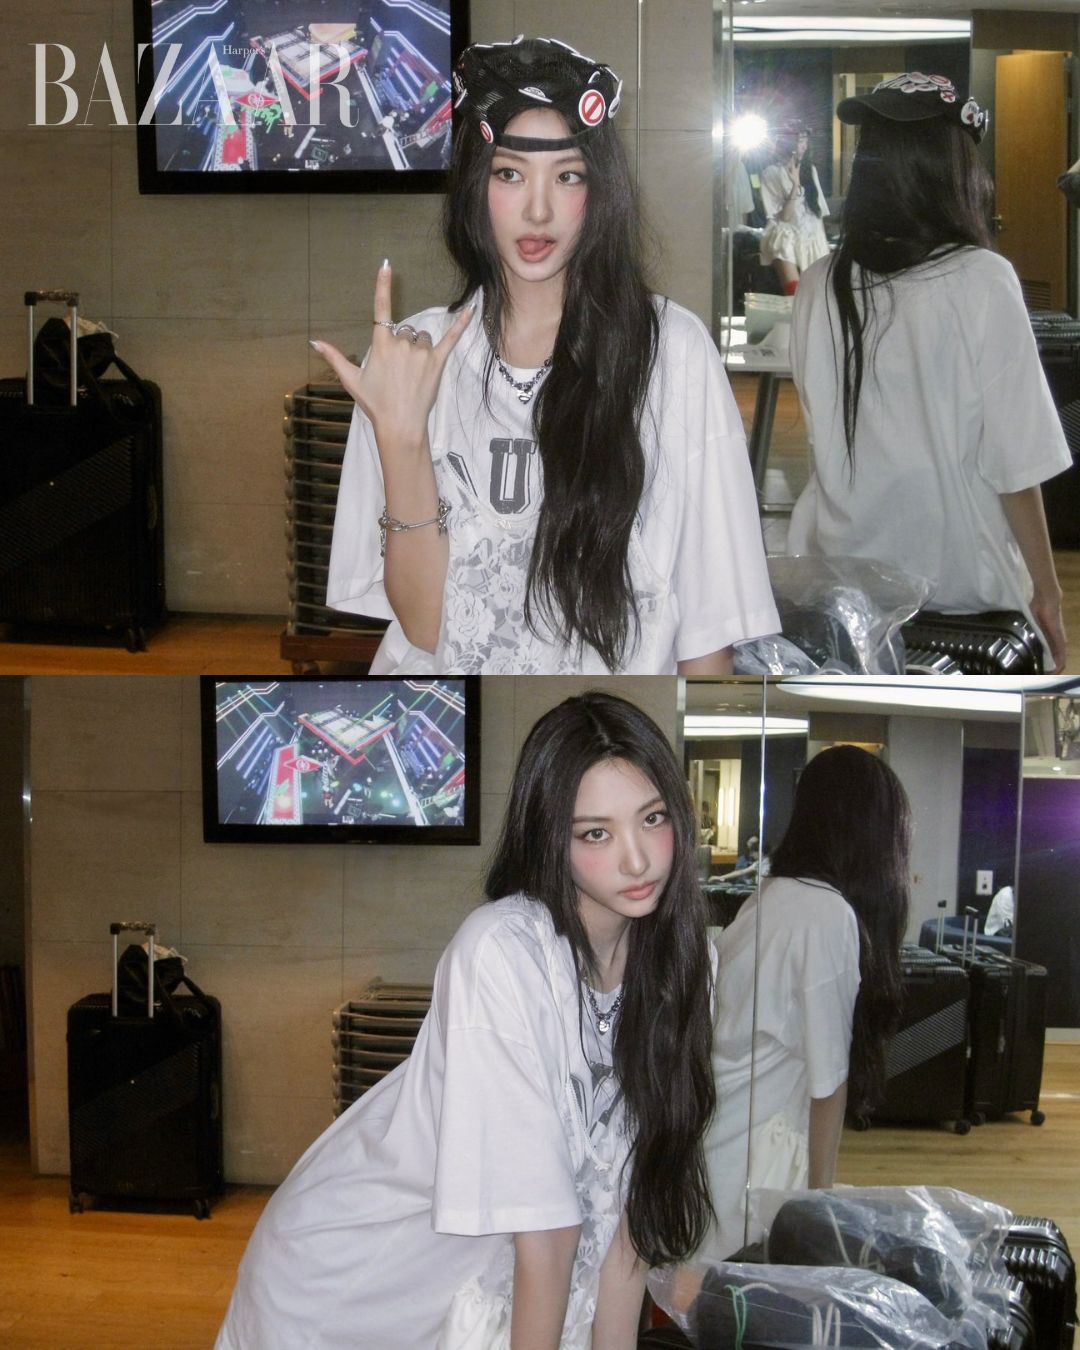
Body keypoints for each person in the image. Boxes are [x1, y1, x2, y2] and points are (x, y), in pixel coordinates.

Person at [214, 691, 717, 1349]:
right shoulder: (503, 952)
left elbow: (629, 1216)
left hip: (483, 1287)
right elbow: (547, 1231)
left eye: (652, 819)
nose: (638, 860)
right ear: (550, 838)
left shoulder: (686, 962)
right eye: (596, 832)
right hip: (357, 1280)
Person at [316, 36, 779, 675]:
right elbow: (426, 628)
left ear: (601, 190)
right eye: (509, 174)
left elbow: (709, 624)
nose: (538, 211)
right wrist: (401, 440)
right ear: (475, 185)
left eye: (568, 176)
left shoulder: (670, 350)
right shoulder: (414, 358)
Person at [786, 73, 1071, 672]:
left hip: (847, 596)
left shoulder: (819, 283)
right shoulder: (982, 280)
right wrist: (1048, 592)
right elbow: (1016, 465)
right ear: (955, 172)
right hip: (961, 593)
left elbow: (822, 437)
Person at [701, 745, 910, 1260]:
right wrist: (821, 1206)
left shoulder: (772, 896)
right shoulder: (825, 915)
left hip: (717, 1147)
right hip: (751, 1164)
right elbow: (827, 1084)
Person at [758, 122, 831, 294]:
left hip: (813, 236)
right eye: (799, 140)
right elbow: (785, 217)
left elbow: (818, 213)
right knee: (795, 293)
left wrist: (823, 244)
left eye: (805, 140)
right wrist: (794, 185)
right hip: (786, 236)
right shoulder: (771, 172)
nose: (803, 146)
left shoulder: (810, 170)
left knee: (817, 294)